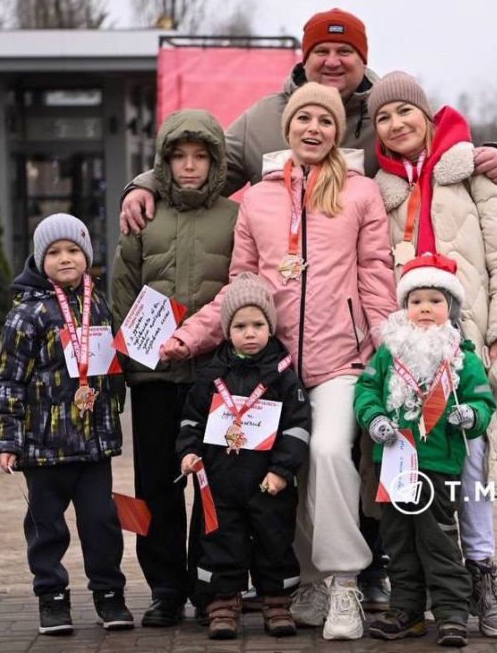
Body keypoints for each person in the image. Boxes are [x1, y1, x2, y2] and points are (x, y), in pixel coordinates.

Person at [162, 82, 395, 640]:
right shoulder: (259, 199)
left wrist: (391, 348)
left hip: (343, 359)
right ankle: (309, 578)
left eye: (325, 120)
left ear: (338, 131)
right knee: (283, 474)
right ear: (288, 127)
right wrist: (189, 336)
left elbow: (378, 278)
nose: (313, 128)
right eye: (303, 118)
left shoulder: (361, 194)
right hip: (272, 368)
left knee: (327, 451)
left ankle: (343, 583)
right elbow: (241, 288)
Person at [368, 71, 497, 638]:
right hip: (408, 349)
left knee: (472, 465)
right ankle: (417, 592)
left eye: (405, 112)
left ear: (428, 115)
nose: (396, 125)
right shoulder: (378, 189)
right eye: (384, 118)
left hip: (471, 342)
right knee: (419, 467)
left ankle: (482, 575)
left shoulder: (474, 176)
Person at [118, 8, 497, 236]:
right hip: (286, 289)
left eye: (345, 50)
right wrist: (144, 186)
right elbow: (205, 164)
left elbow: (442, 152)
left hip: (374, 291)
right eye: (321, 50)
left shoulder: (388, 114)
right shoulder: (262, 119)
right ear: (305, 59)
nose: (332, 61)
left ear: (363, 59)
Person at [110, 109, 238, 626]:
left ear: (215, 162)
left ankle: (209, 587)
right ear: (163, 162)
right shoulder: (142, 216)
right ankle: (164, 587)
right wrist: (127, 362)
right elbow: (121, 289)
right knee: (154, 486)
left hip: (215, 377)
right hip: (154, 378)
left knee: (213, 483)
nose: (189, 166)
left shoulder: (234, 216)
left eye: (200, 156)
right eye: (179, 156)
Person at [0, 213, 133, 636]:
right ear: (40, 260)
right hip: (43, 446)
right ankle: (51, 597)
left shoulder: (100, 303)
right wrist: (8, 439)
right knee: (46, 528)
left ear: (87, 256)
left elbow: (110, 368)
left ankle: (109, 595)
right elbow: (7, 379)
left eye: (74, 250)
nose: (65, 258)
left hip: (92, 447)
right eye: (54, 252)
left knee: (102, 524)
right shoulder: (27, 314)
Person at [354, 253, 496, 647]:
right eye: (416, 302)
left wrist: (471, 414)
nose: (425, 309)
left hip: (438, 463)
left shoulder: (462, 356)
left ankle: (451, 614)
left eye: (435, 300)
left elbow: (484, 402)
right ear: (405, 307)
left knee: (439, 541)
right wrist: (374, 418)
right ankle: (407, 612)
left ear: (450, 308)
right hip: (394, 463)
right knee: (398, 543)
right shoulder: (389, 352)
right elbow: (365, 391)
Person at [176, 273, 312, 640]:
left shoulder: (284, 376)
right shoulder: (211, 374)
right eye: (240, 326)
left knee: (274, 541)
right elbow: (191, 419)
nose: (249, 333)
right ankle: (223, 604)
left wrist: (283, 470)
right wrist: (188, 453)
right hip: (221, 482)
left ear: (270, 327)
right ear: (226, 330)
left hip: (269, 484)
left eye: (258, 324)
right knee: (221, 541)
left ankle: (277, 603)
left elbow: (298, 427)